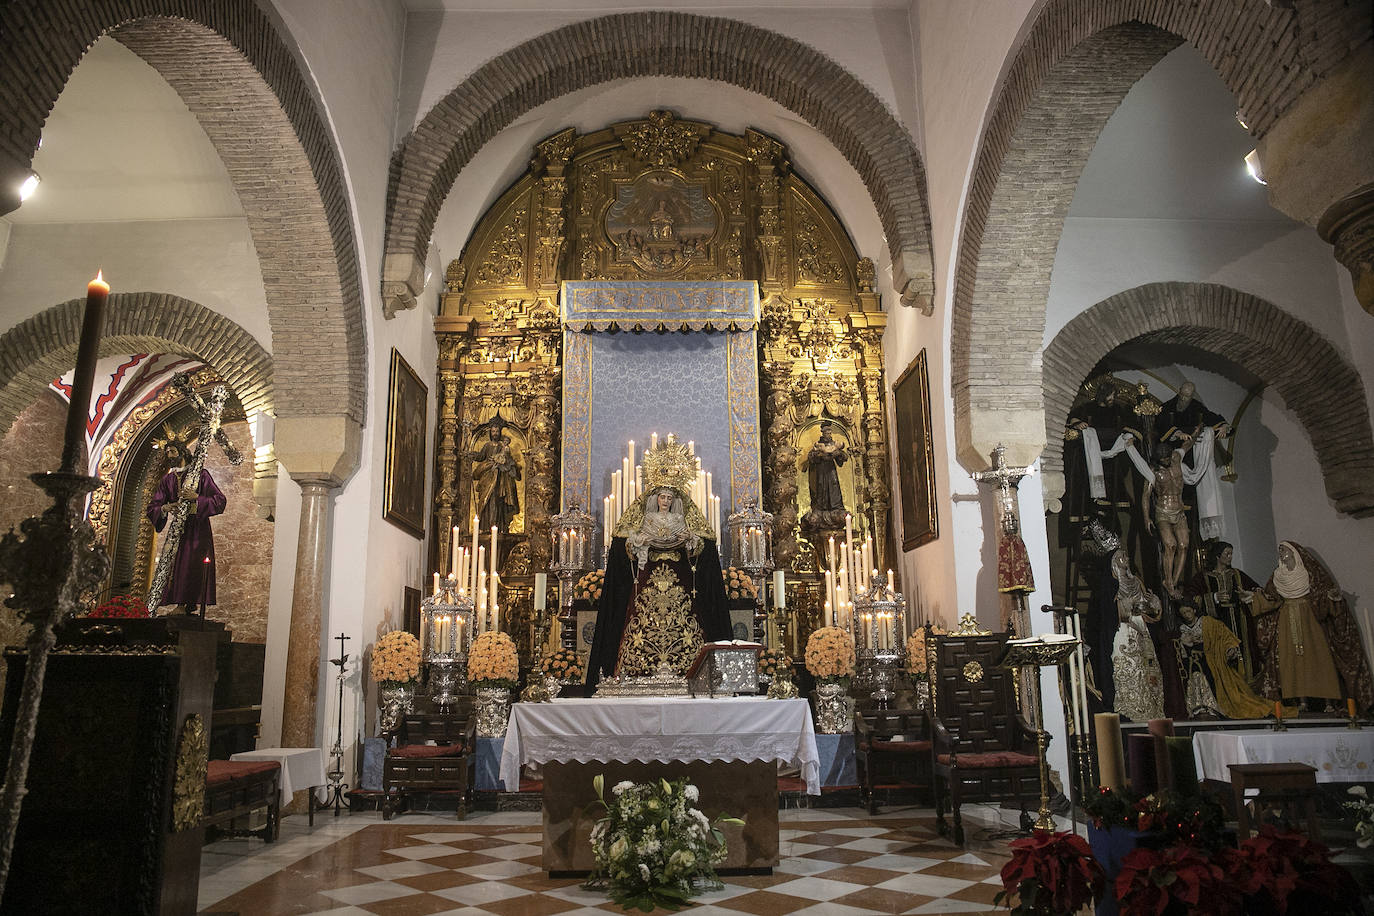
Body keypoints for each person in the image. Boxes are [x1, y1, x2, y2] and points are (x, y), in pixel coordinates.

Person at [586, 439, 731, 690]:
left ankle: (690, 673)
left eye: (669, 497)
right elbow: (628, 547)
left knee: (687, 625)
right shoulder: (646, 517)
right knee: (640, 624)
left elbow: (699, 549)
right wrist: (642, 540)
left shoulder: (682, 518)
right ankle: (636, 673)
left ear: (675, 500)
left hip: (679, 584)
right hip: (648, 582)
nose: (665, 500)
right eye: (662, 496)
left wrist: (689, 540)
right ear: (656, 498)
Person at [1250, 541, 1373, 712]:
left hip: (1309, 617)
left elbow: (1323, 592)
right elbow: (1270, 598)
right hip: (1286, 619)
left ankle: (1329, 702)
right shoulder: (1278, 575)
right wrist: (1254, 598)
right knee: (1293, 661)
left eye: (1284, 549)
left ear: (1294, 552)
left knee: (1319, 656)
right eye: (1279, 550)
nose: (1281, 552)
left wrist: (1332, 596)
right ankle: (1302, 701)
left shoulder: (1308, 572)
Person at [146, 442, 226, 614]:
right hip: (178, 529)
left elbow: (219, 501)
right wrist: (165, 508)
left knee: (192, 564)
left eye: (173, 451)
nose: (170, 456)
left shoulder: (201, 475)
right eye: (167, 453)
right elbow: (153, 506)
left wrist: (197, 497)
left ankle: (188, 604)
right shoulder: (168, 480)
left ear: (183, 452)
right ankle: (178, 603)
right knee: (176, 564)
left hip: (198, 528)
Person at [1174, 600, 1275, 720]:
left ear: (1194, 610)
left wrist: (1230, 648)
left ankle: (1218, 707)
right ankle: (1201, 708)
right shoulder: (1182, 629)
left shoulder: (1208, 622)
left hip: (1213, 659)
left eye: (1188, 611)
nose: (1186, 615)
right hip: (1194, 661)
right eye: (1183, 613)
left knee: (1216, 675)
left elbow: (1225, 636)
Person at [1186, 540, 1260, 681]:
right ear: (1217, 556)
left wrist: (1247, 595)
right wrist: (1213, 597)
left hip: (1240, 620)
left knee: (1244, 652)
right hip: (1218, 623)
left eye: (1231, 554)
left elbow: (1256, 589)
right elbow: (1189, 601)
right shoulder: (1203, 577)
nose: (1230, 557)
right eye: (1227, 553)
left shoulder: (1237, 574)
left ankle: (1247, 684)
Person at [1111, 550, 1165, 722]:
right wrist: (1125, 605)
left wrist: (1154, 605)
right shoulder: (1112, 584)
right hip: (1123, 631)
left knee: (1148, 669)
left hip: (1141, 630)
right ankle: (1129, 708)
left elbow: (1146, 610)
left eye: (1127, 555)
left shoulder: (1136, 581)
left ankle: (1151, 709)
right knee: (1127, 669)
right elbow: (1107, 611)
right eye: (1120, 556)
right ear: (1113, 561)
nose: (1125, 559)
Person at [1142, 442, 1191, 598]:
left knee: (1184, 546)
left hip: (1179, 510)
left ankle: (1173, 583)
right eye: (1163, 459)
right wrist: (1146, 518)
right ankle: (1168, 581)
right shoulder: (1153, 471)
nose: (1166, 461)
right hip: (1163, 511)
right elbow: (1146, 496)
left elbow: (1187, 445)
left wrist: (1197, 433)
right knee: (1170, 545)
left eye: (1167, 458)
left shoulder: (1176, 458)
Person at [471, 417, 521, 531]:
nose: (495, 433)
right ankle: (485, 526)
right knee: (486, 500)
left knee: (497, 501)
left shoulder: (501, 446)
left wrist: (503, 461)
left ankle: (498, 525)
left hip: (500, 479)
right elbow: (480, 456)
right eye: (493, 431)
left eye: (497, 431)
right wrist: (471, 455)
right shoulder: (487, 446)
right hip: (488, 476)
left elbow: (507, 459)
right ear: (490, 432)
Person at [805, 422, 846, 513]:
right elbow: (811, 457)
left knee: (833, 484)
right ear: (822, 433)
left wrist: (838, 454)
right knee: (821, 485)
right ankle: (822, 507)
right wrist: (819, 455)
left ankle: (836, 506)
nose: (828, 434)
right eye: (827, 432)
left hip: (831, 469)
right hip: (821, 469)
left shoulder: (835, 444)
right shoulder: (818, 445)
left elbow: (842, 457)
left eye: (830, 432)